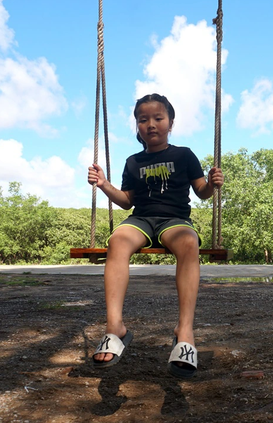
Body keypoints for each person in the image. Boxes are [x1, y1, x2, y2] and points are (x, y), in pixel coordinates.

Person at [87, 93, 224, 378]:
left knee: (189, 241)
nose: (151, 124)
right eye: (143, 119)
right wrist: (103, 184)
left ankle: (184, 331)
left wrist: (212, 184)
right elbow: (126, 201)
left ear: (170, 123)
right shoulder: (133, 161)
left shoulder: (183, 155)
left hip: (174, 220)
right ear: (137, 125)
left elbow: (201, 191)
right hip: (141, 219)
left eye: (158, 118)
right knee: (117, 240)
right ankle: (115, 328)